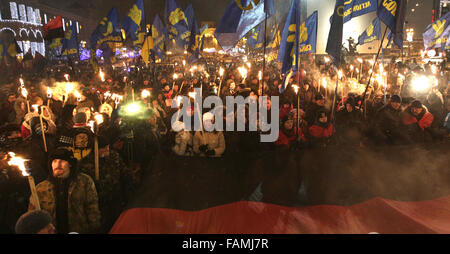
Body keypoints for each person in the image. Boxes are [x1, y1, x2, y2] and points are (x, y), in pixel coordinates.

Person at [28, 148, 101, 234]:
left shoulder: (84, 182)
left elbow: (92, 208)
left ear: (70, 164)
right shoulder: (41, 188)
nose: (58, 164)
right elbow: (33, 214)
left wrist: (94, 229)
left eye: (62, 161)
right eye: (54, 161)